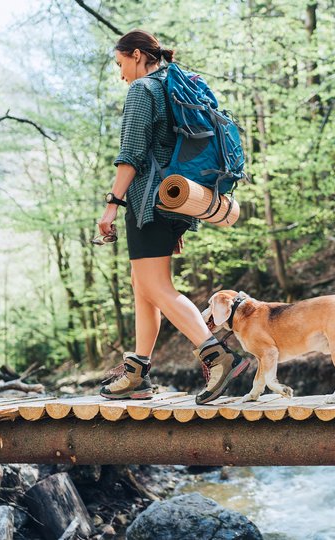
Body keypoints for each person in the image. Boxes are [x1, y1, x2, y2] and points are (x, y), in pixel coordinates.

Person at [97, 29, 249, 405]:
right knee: (142, 284)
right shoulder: (173, 83)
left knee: (155, 287)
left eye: (121, 64)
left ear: (136, 55)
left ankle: (216, 355)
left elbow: (131, 153)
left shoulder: (143, 89)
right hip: (176, 197)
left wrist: (112, 204)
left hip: (149, 199)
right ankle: (137, 372)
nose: (121, 75)